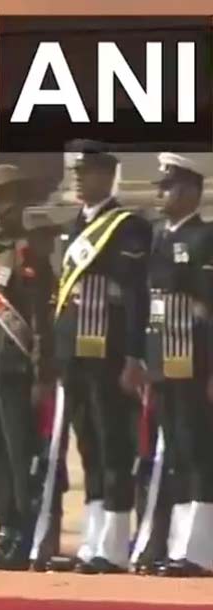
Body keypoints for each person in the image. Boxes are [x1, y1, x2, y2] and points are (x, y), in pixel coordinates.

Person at [38, 141, 152, 574]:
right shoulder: (72, 227)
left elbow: (136, 297)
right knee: (88, 448)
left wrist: (134, 357)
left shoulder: (128, 228)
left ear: (107, 175)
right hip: (75, 355)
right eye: (76, 173)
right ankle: (93, 541)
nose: (79, 180)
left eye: (86, 173)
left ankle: (116, 545)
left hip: (109, 352)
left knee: (113, 445)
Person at [0, 165, 55, 569]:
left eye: (4, 199)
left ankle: (23, 532)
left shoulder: (29, 253)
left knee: (19, 451)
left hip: (17, 367)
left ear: (21, 202)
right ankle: (5, 527)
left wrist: (42, 373)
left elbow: (41, 319)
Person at [136, 153, 213, 577]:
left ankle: (200, 550)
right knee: (178, 456)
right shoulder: (158, 239)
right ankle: (179, 545)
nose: (159, 193)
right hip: (164, 364)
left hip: (196, 366)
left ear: (188, 191)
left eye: (166, 187)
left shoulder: (205, 240)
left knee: (200, 455)